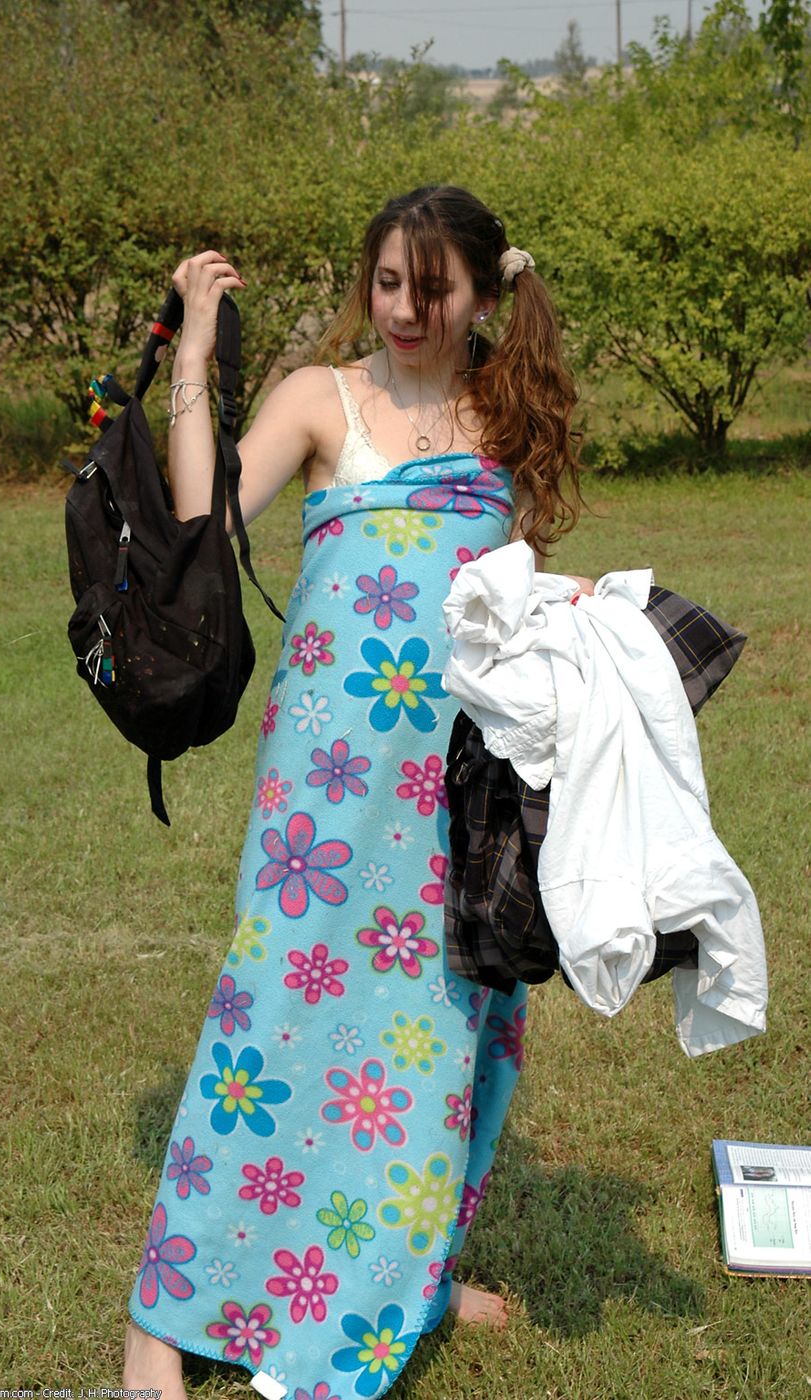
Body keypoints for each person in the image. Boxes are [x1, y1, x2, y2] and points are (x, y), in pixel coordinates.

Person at [123, 185, 585, 1400]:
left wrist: (573, 606)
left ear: (482, 292)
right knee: (269, 1017)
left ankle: (402, 1270)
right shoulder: (319, 399)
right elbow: (200, 517)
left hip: (461, 784)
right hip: (325, 796)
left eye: (431, 289)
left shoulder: (503, 414)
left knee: (442, 1026)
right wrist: (196, 357)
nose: (404, 310)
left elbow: (505, 594)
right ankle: (163, 1316)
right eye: (386, 284)